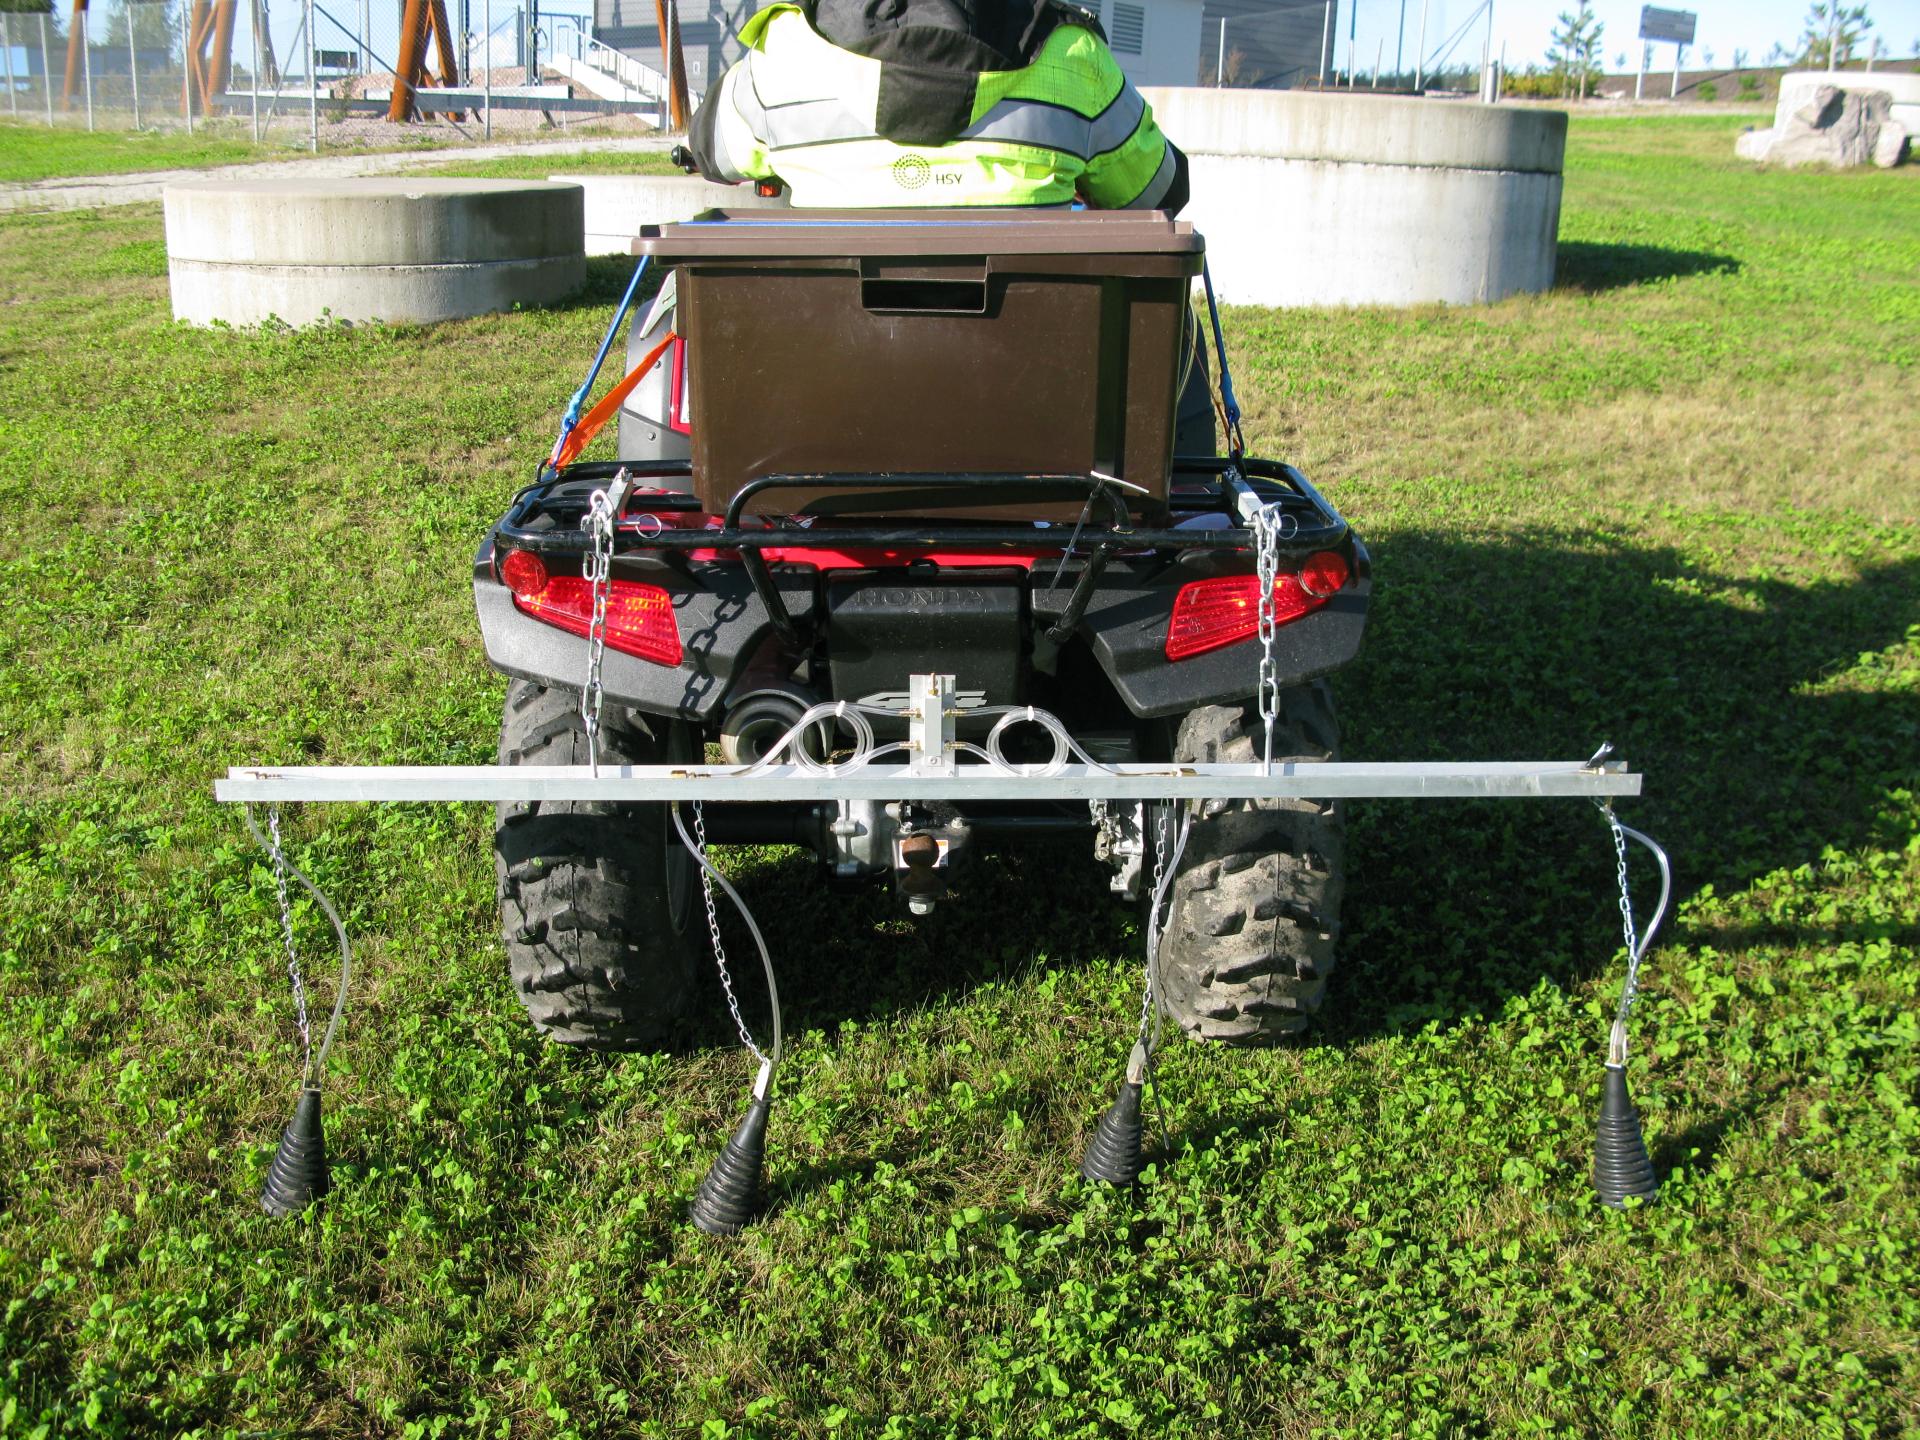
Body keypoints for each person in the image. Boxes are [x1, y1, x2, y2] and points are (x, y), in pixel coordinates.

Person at [681, 0, 1213, 451]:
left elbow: (711, 150)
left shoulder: (784, 49)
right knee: (1169, 318)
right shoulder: (1073, 54)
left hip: (825, 424)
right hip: (1036, 429)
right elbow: (1160, 189)